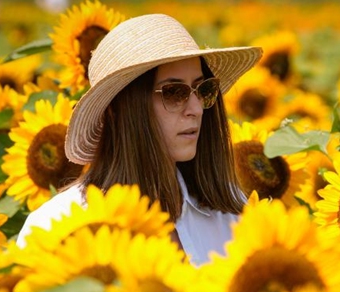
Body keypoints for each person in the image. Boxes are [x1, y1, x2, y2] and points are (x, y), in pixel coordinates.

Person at [16, 14, 263, 266]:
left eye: (204, 90)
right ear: (120, 110)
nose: (196, 109)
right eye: (174, 92)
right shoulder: (52, 229)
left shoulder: (231, 215)